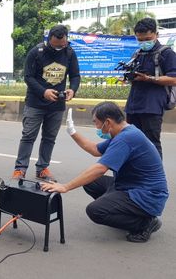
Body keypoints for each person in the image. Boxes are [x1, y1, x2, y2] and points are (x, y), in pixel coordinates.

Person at [41, 102, 168, 243]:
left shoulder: (126, 138)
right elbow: (95, 149)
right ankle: (121, 212)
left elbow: (100, 169)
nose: (96, 127)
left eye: (96, 122)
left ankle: (146, 224)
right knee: (91, 183)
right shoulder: (123, 132)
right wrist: (72, 132)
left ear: (107, 122)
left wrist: (65, 186)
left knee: (95, 211)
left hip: (147, 195)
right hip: (130, 186)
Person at [12, 24, 80, 181]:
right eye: (57, 46)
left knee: (49, 138)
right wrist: (44, 92)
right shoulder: (36, 52)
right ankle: (20, 168)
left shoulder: (69, 52)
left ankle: (42, 168)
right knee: (28, 136)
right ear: (50, 40)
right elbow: (28, 77)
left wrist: (73, 90)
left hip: (57, 105)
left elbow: (75, 75)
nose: (60, 48)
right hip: (35, 103)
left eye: (63, 44)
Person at [125, 17, 176, 159]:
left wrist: (150, 79)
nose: (143, 43)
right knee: (131, 142)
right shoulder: (138, 54)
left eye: (147, 38)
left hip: (152, 107)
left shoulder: (166, 53)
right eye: (140, 40)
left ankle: (156, 178)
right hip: (133, 106)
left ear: (156, 34)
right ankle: (137, 176)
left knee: (152, 143)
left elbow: (174, 79)